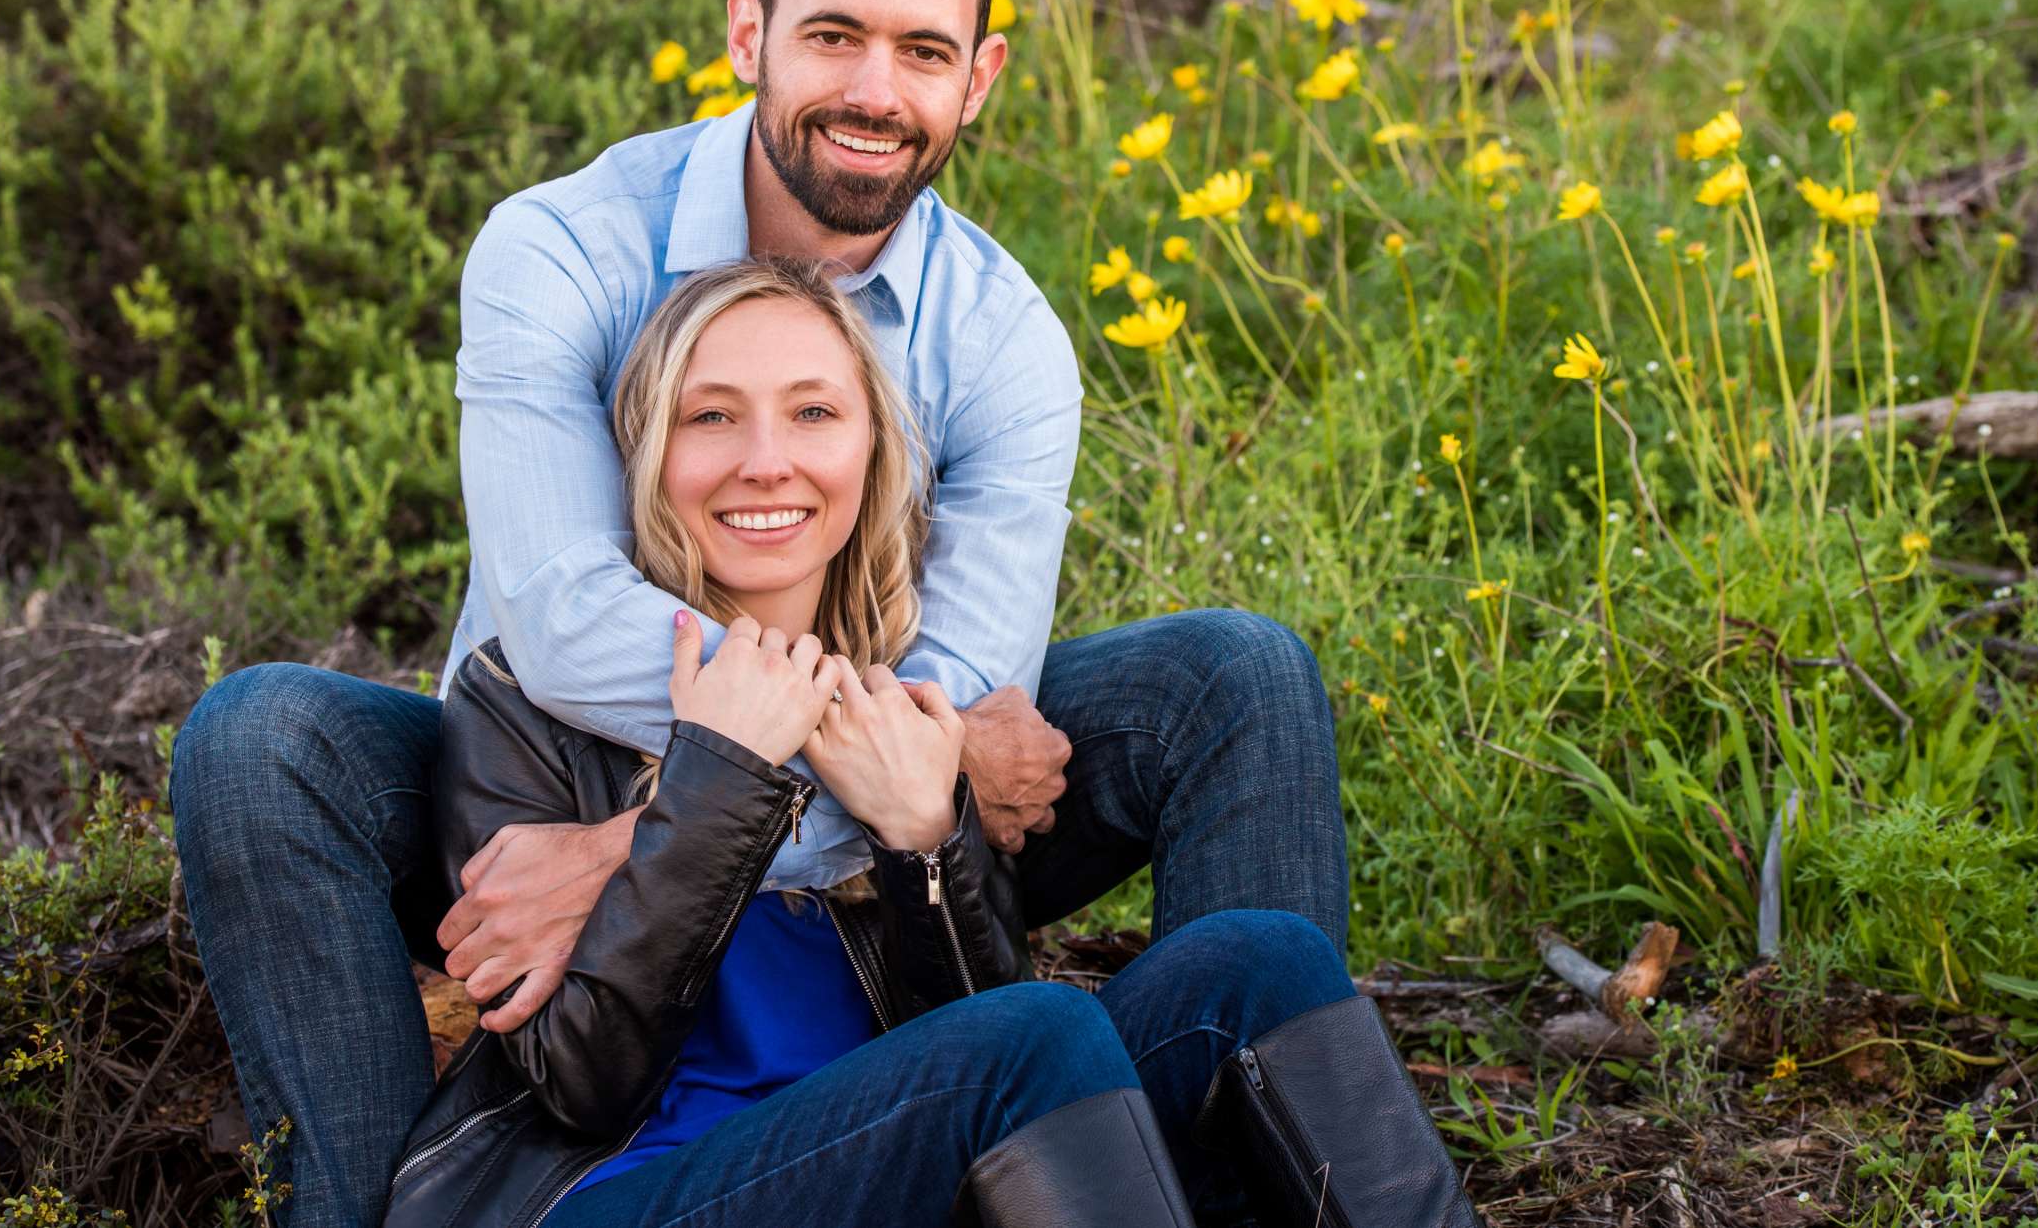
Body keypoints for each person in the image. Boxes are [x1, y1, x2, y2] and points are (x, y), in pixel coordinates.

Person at [170, 0, 1355, 1228]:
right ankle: (358, 1209)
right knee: (262, 738)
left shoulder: (1004, 337)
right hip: (539, 774)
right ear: (749, 32)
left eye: (923, 49)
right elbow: (560, 622)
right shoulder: (562, 248)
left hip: (839, 822)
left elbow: (963, 682)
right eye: (833, 34)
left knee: (1237, 680)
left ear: (979, 77)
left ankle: (1234, 1170)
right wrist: (867, 764)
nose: (873, 89)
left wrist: (671, 840)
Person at [384, 258, 1476, 1227]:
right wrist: (720, 777)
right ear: (648, 450)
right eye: (710, 417)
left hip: (886, 1166)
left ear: (872, 451)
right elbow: (580, 1083)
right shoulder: (525, 700)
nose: (766, 462)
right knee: (1038, 1033)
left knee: (1263, 960)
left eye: (813, 413)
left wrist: (924, 838)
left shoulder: (911, 702)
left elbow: (988, 1060)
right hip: (633, 1190)